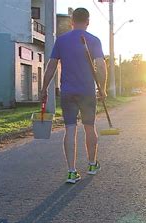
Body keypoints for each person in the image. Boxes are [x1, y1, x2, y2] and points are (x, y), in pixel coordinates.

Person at [40, 8, 107, 184]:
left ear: (72, 21)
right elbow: (101, 66)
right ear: (88, 21)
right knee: (89, 127)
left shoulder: (61, 41)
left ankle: (71, 171)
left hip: (68, 91)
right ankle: (92, 165)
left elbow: (51, 66)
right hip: (87, 92)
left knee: (70, 129)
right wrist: (103, 88)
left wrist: (44, 88)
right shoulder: (93, 40)